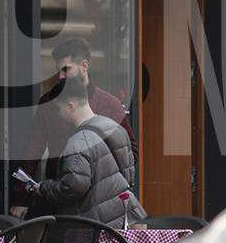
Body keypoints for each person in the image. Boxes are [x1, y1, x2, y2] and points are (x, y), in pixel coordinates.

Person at [11, 37, 134, 217]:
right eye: (58, 70)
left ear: (84, 65)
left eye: (66, 69)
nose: (60, 76)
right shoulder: (50, 101)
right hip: (58, 196)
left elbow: (130, 152)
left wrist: (111, 187)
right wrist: (22, 198)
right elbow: (33, 149)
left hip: (99, 203)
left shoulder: (110, 104)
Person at [33, 76, 146, 225]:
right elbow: (129, 173)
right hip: (125, 216)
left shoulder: (77, 142)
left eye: (58, 109)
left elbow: (73, 187)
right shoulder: (116, 128)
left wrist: (43, 187)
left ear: (70, 106)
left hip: (95, 225)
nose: (58, 114)